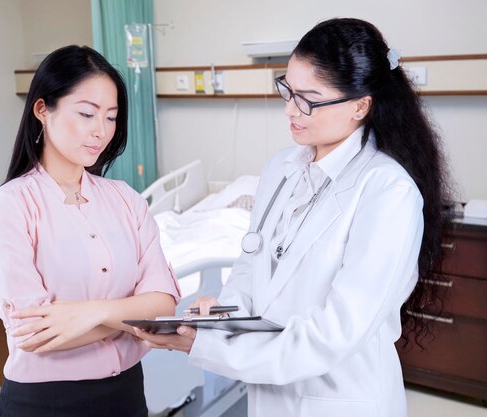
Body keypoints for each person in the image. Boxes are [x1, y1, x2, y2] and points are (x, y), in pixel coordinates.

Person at [134, 18, 450, 417]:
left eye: (309, 99)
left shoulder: (388, 193)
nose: (290, 110)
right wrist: (221, 313)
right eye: (288, 90)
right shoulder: (281, 168)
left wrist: (209, 348)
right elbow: (252, 263)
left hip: (340, 400)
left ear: (360, 105)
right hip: (270, 395)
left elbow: (333, 335)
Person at [0, 45, 181, 417]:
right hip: (46, 401)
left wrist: (86, 314)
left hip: (126, 393)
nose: (100, 131)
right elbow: (37, 334)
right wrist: (131, 320)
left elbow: (163, 305)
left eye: (111, 117)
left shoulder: (126, 200)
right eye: (86, 113)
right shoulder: (10, 205)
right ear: (42, 110)